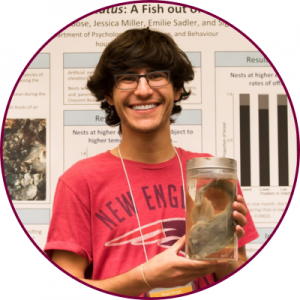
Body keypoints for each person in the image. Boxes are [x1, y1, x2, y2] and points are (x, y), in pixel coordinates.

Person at [44, 28, 259, 297]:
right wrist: (144, 278)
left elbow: (236, 279)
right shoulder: (80, 180)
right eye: (127, 78)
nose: (143, 90)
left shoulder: (211, 173)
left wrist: (225, 249)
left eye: (157, 76)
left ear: (178, 89)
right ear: (109, 96)